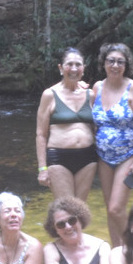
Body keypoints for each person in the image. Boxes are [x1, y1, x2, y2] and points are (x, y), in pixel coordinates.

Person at [92, 43, 133, 245]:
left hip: (128, 155)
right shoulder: (97, 88)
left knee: (117, 208)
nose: (115, 65)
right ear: (104, 63)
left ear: (126, 65)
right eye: (111, 61)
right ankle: (118, 253)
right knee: (110, 209)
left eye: (120, 62)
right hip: (103, 157)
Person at [35, 47, 97, 201]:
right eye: (69, 64)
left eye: (78, 65)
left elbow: (98, 128)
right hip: (59, 158)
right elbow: (41, 134)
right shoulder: (49, 95)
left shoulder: (91, 94)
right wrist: (42, 168)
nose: (74, 69)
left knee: (80, 210)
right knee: (66, 209)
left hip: (88, 157)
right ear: (61, 68)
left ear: (84, 68)